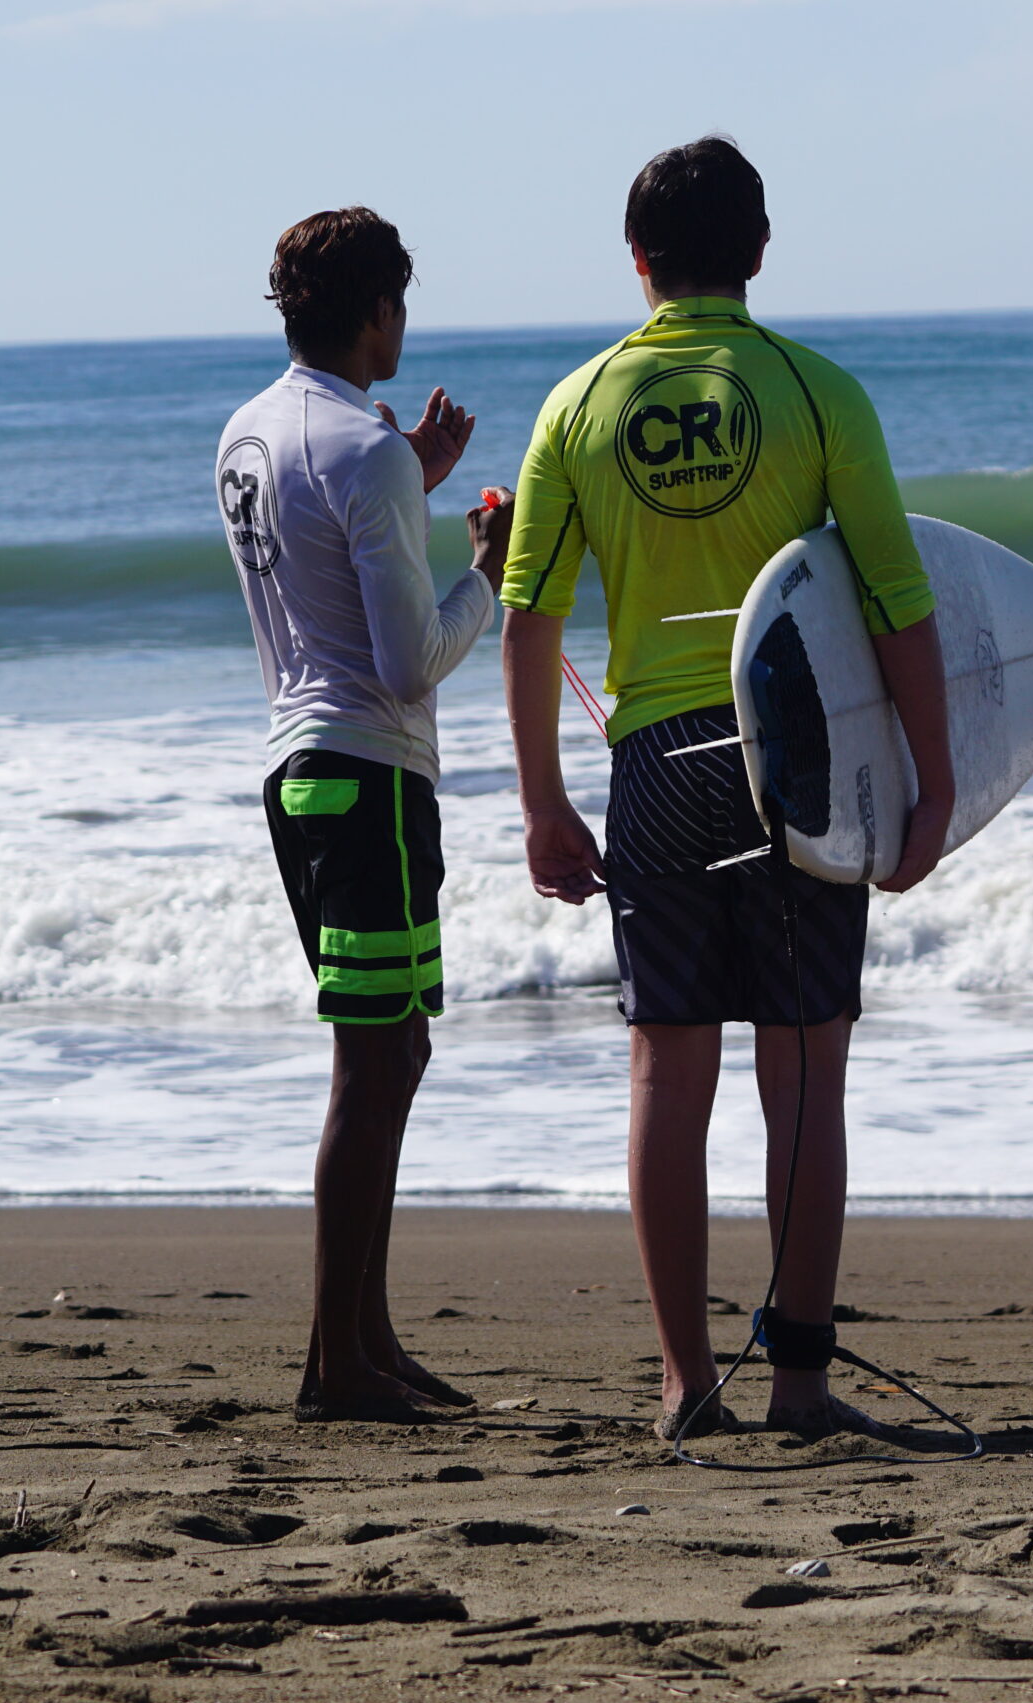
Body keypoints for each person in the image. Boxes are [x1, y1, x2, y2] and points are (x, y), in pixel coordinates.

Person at [498, 137, 953, 1443]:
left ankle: (682, 1381)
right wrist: (933, 780)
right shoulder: (818, 394)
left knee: (664, 1072)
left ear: (636, 262)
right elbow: (901, 602)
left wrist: (544, 800)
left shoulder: (577, 405)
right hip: (795, 759)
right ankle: (801, 1384)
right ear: (760, 249)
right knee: (803, 1072)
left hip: (654, 764)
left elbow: (529, 616)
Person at [215, 207, 508, 1424]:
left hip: (295, 768)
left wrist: (417, 485)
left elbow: (324, 556)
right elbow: (406, 661)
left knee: (392, 1051)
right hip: (371, 773)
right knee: (374, 1060)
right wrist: (485, 568)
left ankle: (366, 1343)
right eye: (402, 303)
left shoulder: (247, 434)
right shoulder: (365, 449)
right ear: (376, 311)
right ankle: (340, 1364)